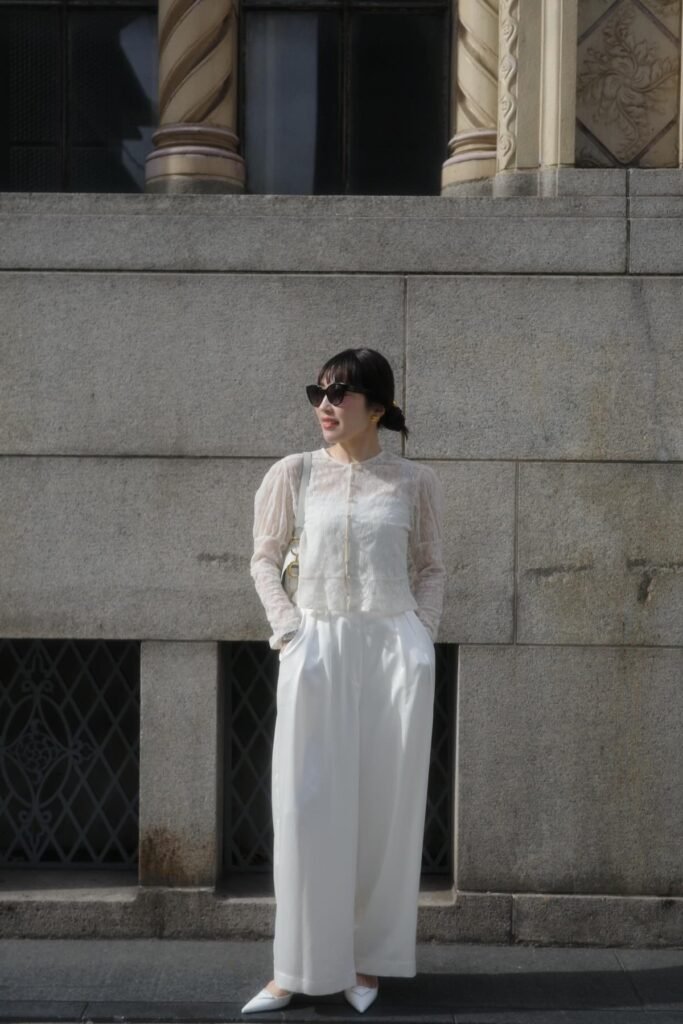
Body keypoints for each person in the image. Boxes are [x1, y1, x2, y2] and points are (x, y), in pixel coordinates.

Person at [242, 347, 446, 1014]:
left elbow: (432, 567)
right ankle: (294, 967)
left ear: (378, 408)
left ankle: (367, 962)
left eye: (341, 393)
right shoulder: (292, 474)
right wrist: (290, 632)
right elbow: (264, 559)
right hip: (317, 644)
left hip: (392, 651)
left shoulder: (414, 482)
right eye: (318, 392)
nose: (324, 405)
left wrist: (420, 636)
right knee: (304, 807)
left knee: (383, 811)